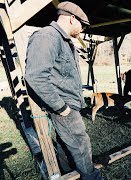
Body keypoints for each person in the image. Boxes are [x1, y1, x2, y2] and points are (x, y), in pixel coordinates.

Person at [25, 1, 104, 179]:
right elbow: (35, 76)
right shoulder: (47, 36)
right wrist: (61, 107)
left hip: (69, 104)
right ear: (72, 19)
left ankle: (68, 173)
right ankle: (91, 176)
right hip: (63, 107)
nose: (82, 29)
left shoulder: (63, 40)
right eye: (82, 25)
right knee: (81, 143)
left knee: (65, 144)